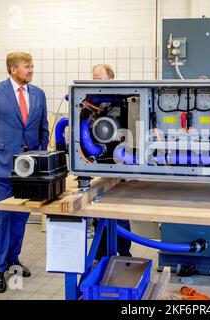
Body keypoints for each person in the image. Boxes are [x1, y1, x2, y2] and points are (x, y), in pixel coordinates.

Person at [0, 52, 49, 293]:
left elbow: (43, 129)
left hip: (28, 169)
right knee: (1, 216)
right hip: (1, 165)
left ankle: (13, 259)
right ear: (13, 69)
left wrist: (39, 158)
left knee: (20, 217)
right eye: (27, 67)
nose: (31, 70)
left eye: (32, 67)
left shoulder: (38, 94)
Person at [91, 64, 132, 260]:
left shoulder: (123, 100)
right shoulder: (94, 103)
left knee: (120, 210)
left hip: (121, 161)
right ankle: (101, 254)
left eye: (100, 79)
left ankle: (123, 252)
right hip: (102, 162)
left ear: (111, 78)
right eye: (94, 79)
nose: (96, 83)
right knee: (100, 210)